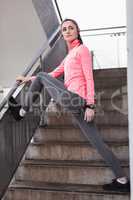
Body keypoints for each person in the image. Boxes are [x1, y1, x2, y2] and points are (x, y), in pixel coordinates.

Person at [9, 18, 130, 192]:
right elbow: (52, 74)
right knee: (98, 143)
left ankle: (21, 112)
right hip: (74, 103)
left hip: (77, 100)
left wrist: (90, 105)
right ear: (62, 34)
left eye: (70, 28)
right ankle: (122, 180)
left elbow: (89, 78)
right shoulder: (69, 56)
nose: (67, 31)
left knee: (42, 75)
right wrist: (27, 79)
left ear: (77, 30)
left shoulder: (83, 50)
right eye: (64, 29)